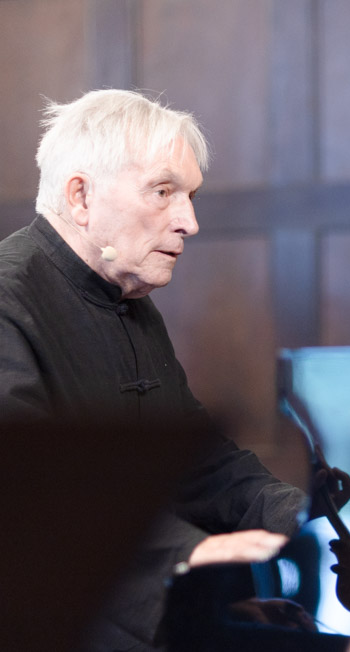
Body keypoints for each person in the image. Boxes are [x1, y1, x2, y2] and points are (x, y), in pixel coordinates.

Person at [0, 89, 306, 651]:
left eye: (190, 196)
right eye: (163, 192)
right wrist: (189, 555)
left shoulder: (130, 300)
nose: (189, 221)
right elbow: (31, 501)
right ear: (81, 197)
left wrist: (296, 516)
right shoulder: (6, 299)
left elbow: (200, 469)